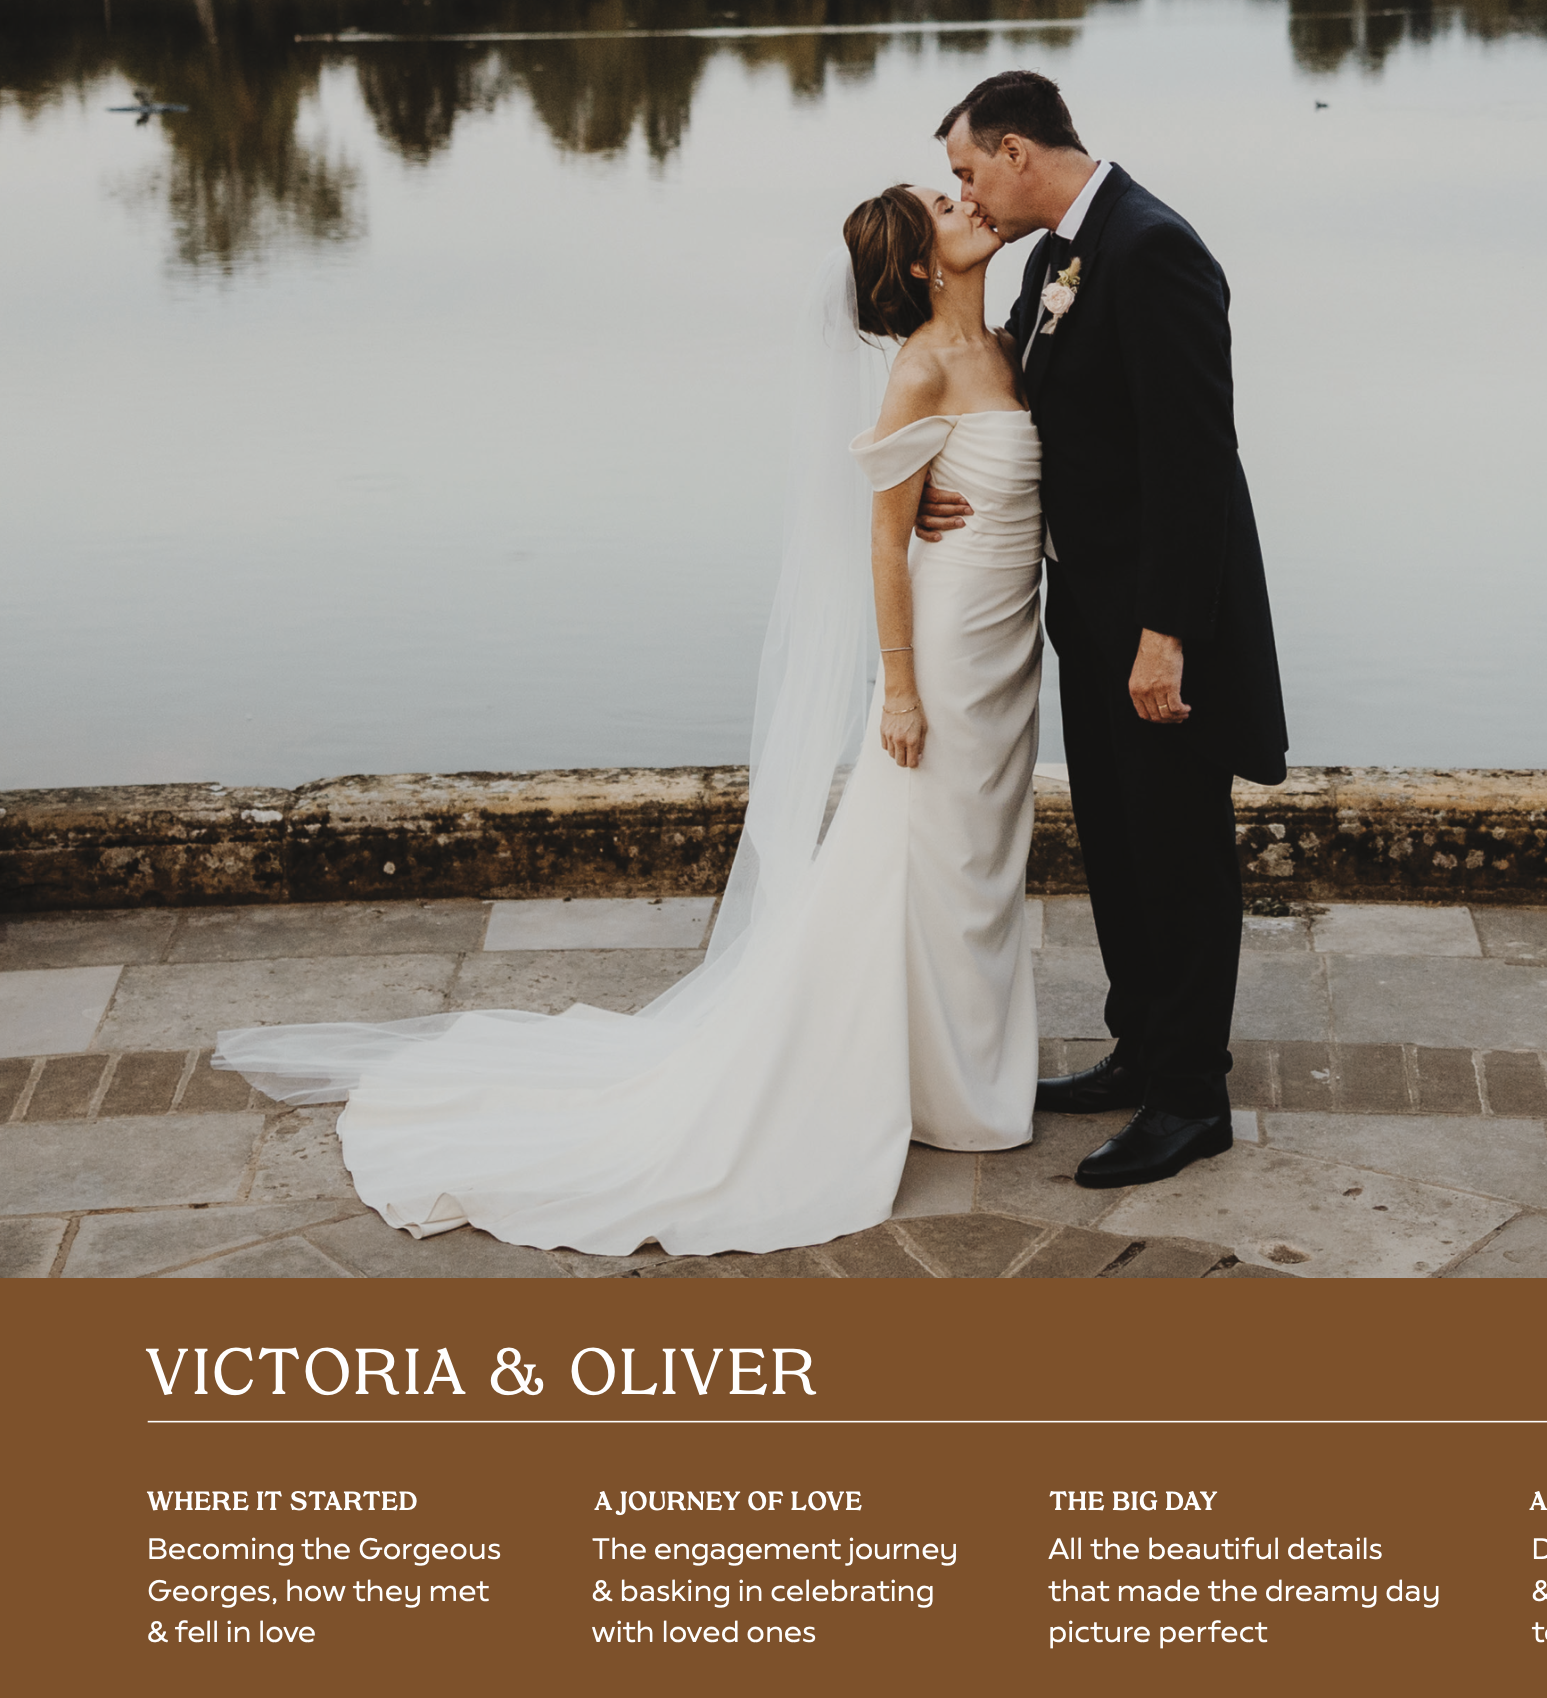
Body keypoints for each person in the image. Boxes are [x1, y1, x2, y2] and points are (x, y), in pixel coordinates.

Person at [212, 182, 1044, 1259]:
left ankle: (957, 1072)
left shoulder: (1011, 346)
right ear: (924, 264)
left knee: (975, 856)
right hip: (937, 650)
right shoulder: (921, 366)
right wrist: (896, 686)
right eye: (944, 203)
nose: (965, 201)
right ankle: (878, 1070)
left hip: (1004, 648)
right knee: (911, 849)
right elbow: (882, 541)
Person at [932, 69, 1287, 1191]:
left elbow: (1194, 462)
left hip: (1154, 625)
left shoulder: (1152, 248)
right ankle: (1141, 1049)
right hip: (1082, 611)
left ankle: (1192, 1097)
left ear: (1018, 152)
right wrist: (947, 484)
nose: (965, 191)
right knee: (1119, 843)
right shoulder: (1051, 260)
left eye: (965, 169)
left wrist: (1166, 633)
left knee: (1177, 850)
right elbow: (1049, 430)